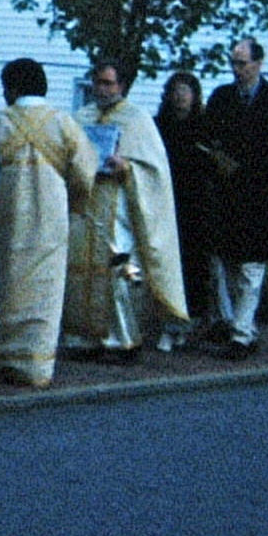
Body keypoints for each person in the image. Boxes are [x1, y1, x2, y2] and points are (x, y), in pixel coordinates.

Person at [64, 59, 189, 359]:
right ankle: (84, 339)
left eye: (108, 83)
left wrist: (128, 168)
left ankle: (122, 339)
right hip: (88, 204)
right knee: (82, 273)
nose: (101, 89)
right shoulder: (82, 117)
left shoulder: (137, 120)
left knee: (118, 270)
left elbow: (154, 171)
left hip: (118, 204)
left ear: (121, 86)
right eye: (98, 82)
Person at [0, 58, 96, 387]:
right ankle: (36, 366)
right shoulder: (63, 123)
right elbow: (84, 172)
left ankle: (0, 357)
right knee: (44, 291)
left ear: (12, 88)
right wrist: (75, 202)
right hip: (50, 215)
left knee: (5, 284)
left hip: (5, 216)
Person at [201, 37, 268, 358]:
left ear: (258, 64)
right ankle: (242, 324)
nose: (237, 69)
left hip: (262, 196)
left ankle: (241, 333)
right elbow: (207, 139)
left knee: (252, 267)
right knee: (229, 265)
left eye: (242, 63)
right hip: (227, 195)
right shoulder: (221, 98)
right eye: (234, 63)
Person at [155, 70, 218, 334]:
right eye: (176, 91)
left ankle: (195, 313)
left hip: (197, 200)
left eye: (186, 91)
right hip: (167, 198)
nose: (180, 97)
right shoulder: (160, 125)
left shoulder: (204, 126)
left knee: (195, 260)